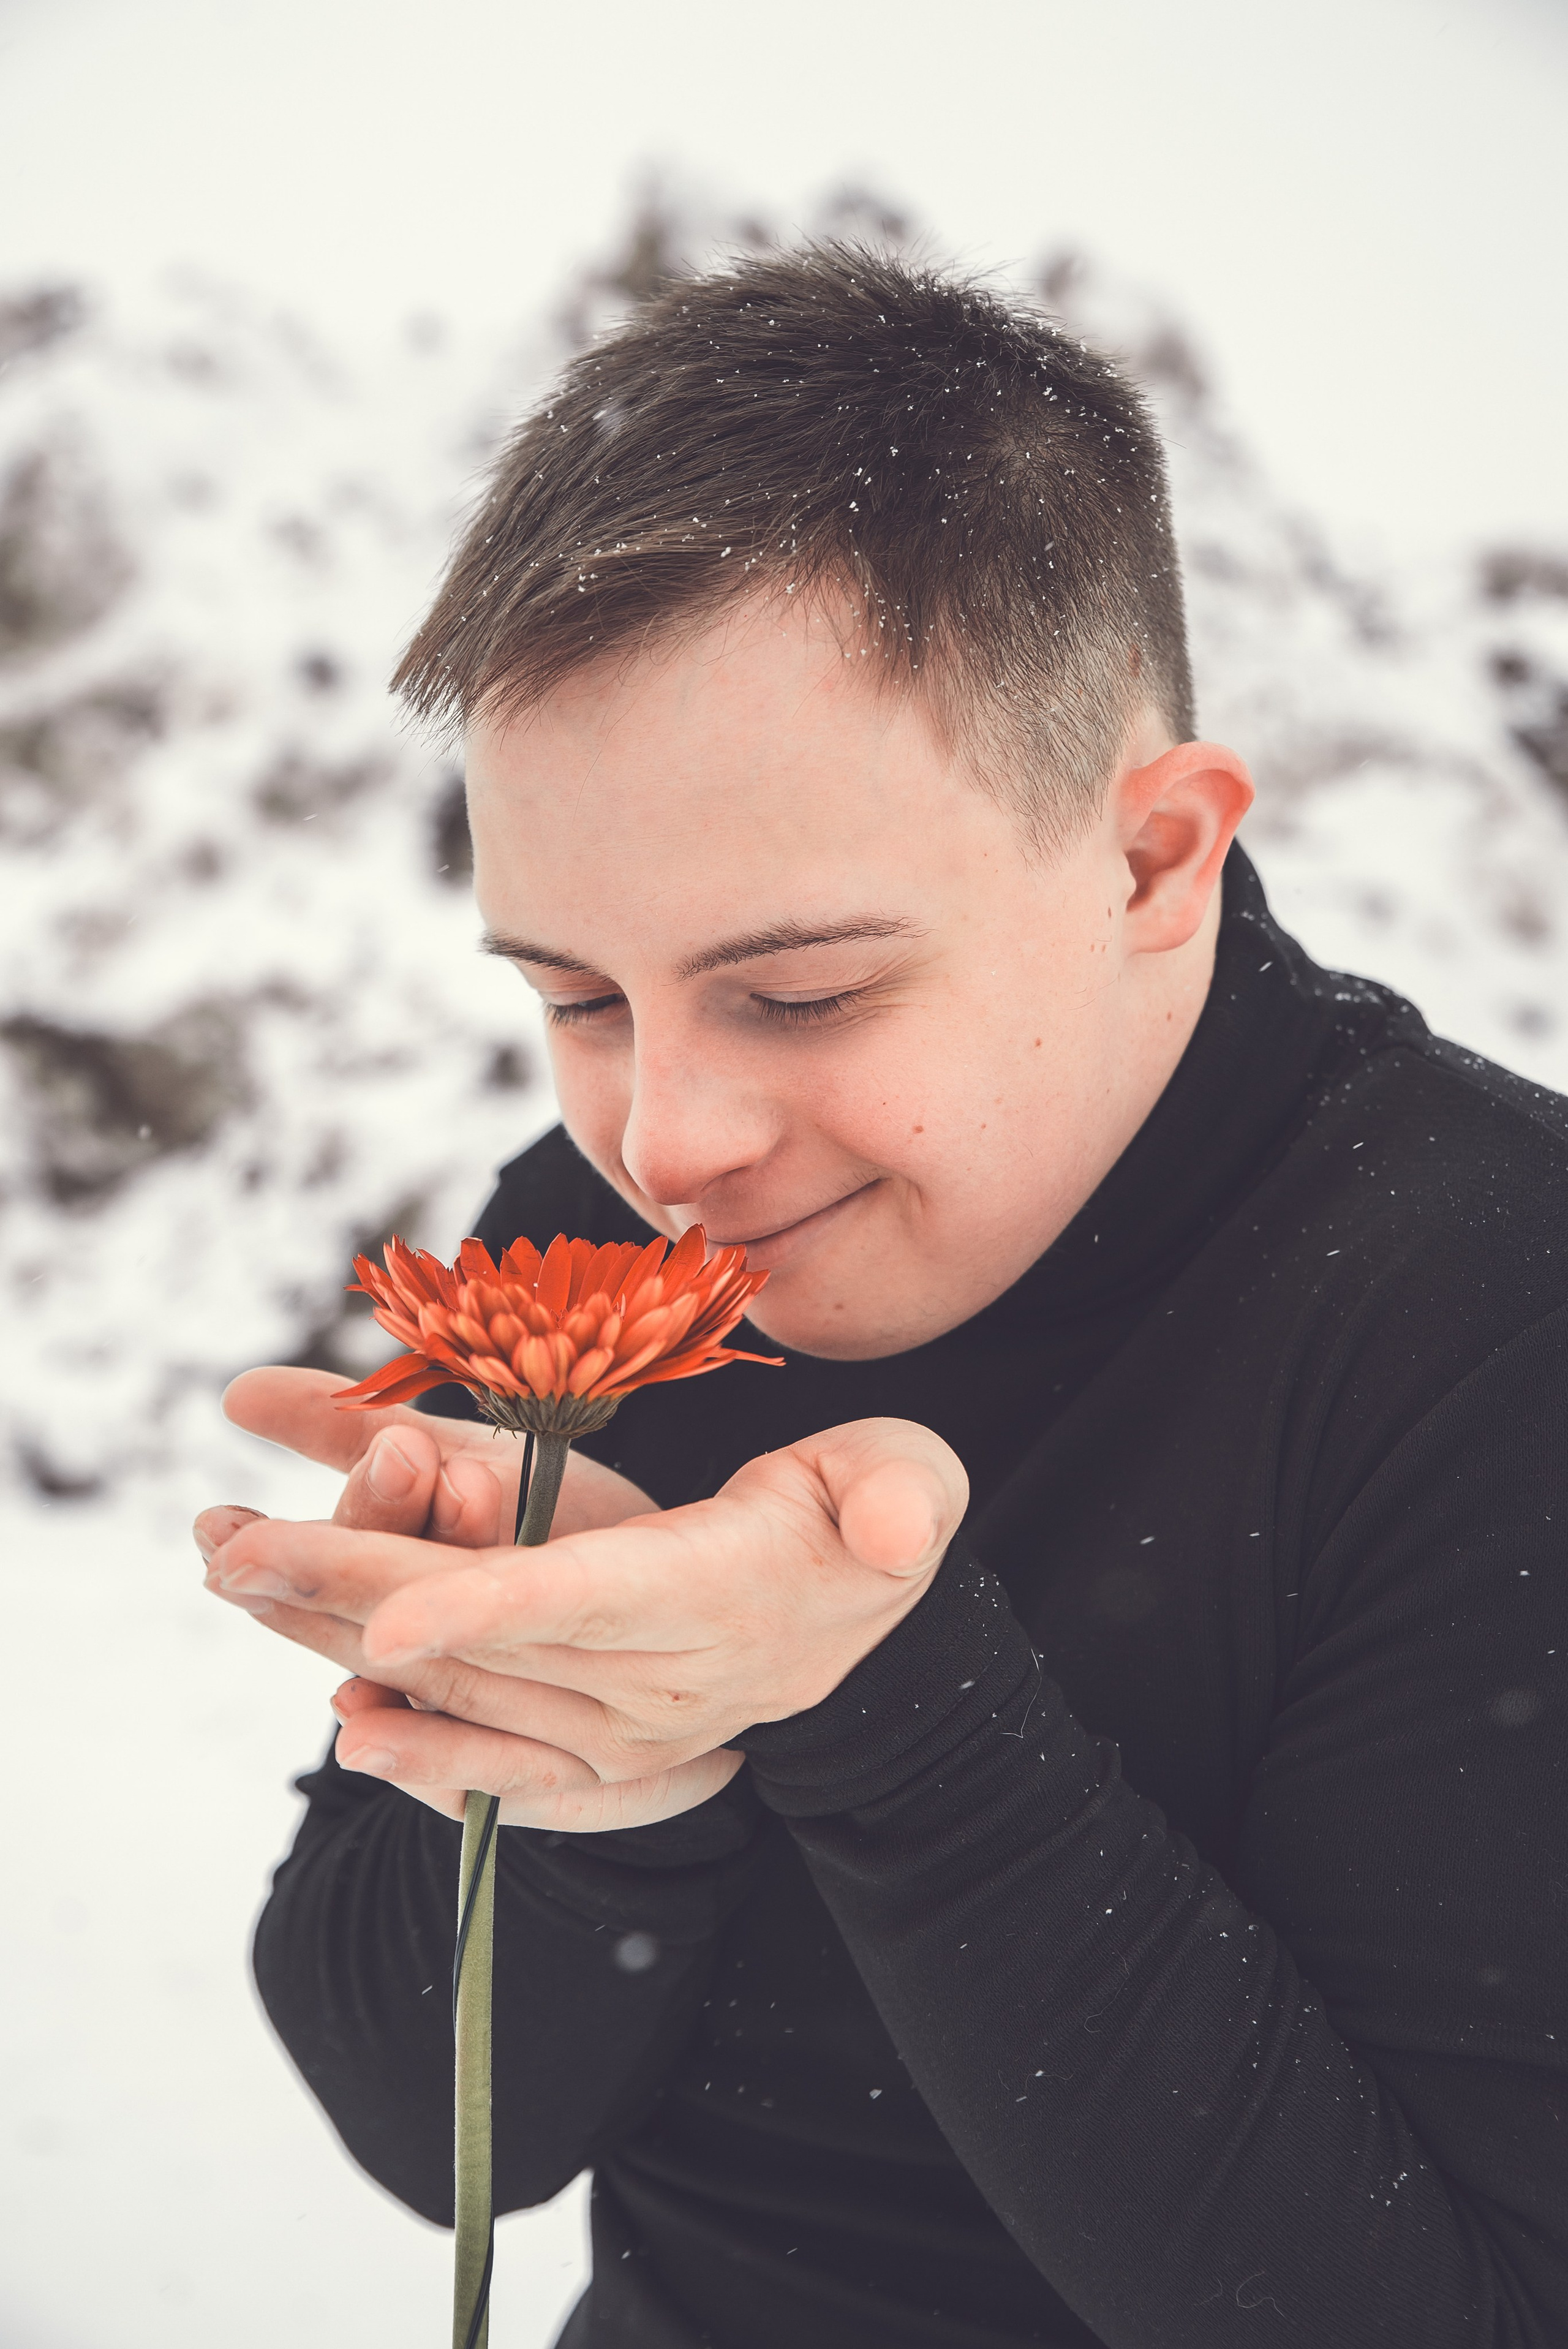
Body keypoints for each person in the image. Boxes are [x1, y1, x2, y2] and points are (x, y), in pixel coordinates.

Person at [196, 246, 1568, 2347]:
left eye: (798, 989)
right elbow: (421, 2121)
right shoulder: (599, 1265)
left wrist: (877, 1698)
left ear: (1152, 865)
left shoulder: (1487, 1310)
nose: (663, 1136)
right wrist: (604, 1771)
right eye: (575, 994)